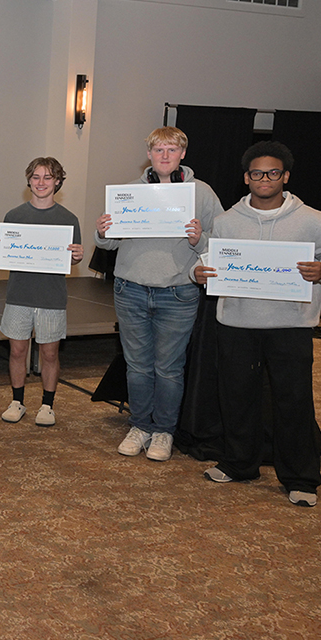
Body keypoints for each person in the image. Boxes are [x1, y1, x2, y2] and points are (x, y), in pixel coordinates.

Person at [193, 141, 321, 507]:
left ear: (285, 176)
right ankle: (239, 463)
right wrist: (196, 272)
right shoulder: (227, 221)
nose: (265, 178)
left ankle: (301, 478)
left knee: (293, 401)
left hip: (290, 326)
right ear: (247, 178)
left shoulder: (313, 219)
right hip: (236, 323)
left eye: (273, 172)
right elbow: (205, 259)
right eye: (258, 173)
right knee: (236, 398)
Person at [95, 126, 223, 462]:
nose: (164, 156)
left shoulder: (202, 193)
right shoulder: (128, 193)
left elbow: (222, 241)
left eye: (171, 150)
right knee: (137, 367)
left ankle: (164, 431)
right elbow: (108, 244)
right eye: (158, 150)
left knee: (168, 368)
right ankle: (139, 426)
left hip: (178, 293)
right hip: (130, 289)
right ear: (149, 155)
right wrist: (102, 230)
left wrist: (200, 239)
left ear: (183, 153)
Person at [0, 157, 83, 427]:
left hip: (51, 297)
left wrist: (76, 256)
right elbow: (5, 253)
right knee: (17, 351)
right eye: (36, 177)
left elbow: (72, 259)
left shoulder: (69, 219)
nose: (41, 182)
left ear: (57, 182)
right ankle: (17, 401)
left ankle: (47, 405)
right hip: (19, 295)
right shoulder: (14, 216)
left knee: (50, 354)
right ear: (29, 180)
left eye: (48, 177)